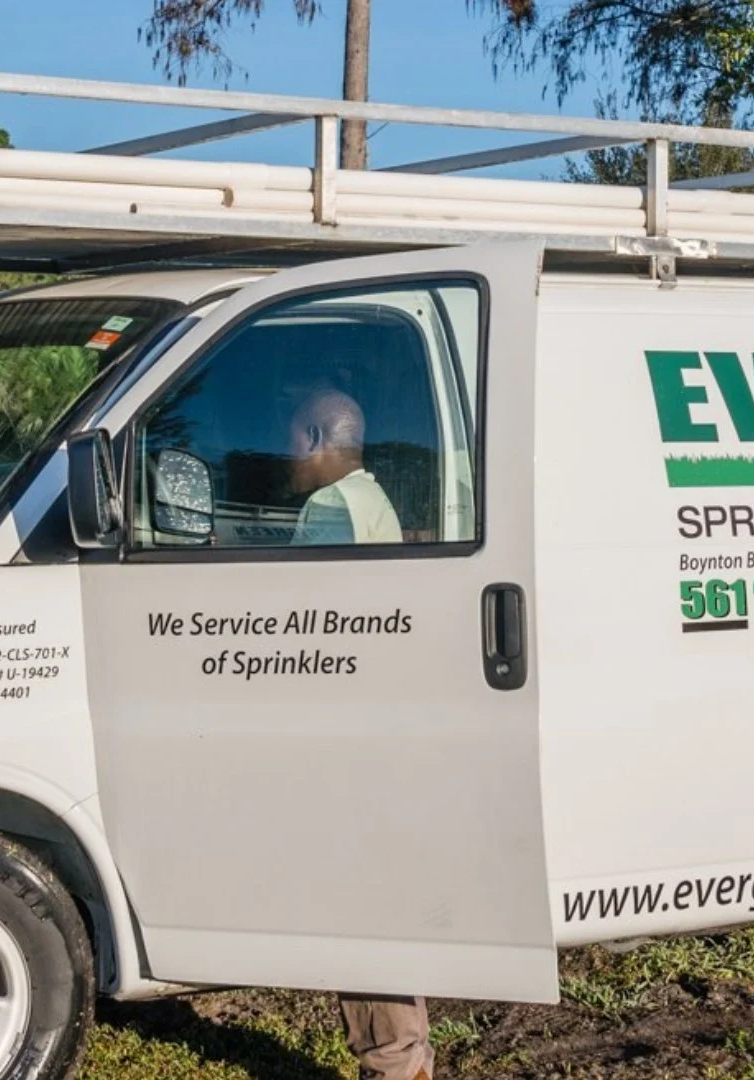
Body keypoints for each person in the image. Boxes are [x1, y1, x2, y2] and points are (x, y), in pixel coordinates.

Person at [284, 386, 432, 1080]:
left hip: (342, 736)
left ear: (316, 438)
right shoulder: (371, 499)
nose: (286, 455)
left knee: (358, 909)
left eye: (290, 439)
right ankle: (408, 1059)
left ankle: (393, 1064)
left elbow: (314, 627)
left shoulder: (327, 509)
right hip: (380, 724)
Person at [286, 387, 402, 546]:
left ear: (314, 437)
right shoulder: (371, 493)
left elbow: (315, 570)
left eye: (290, 442)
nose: (289, 453)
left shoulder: (331, 501)